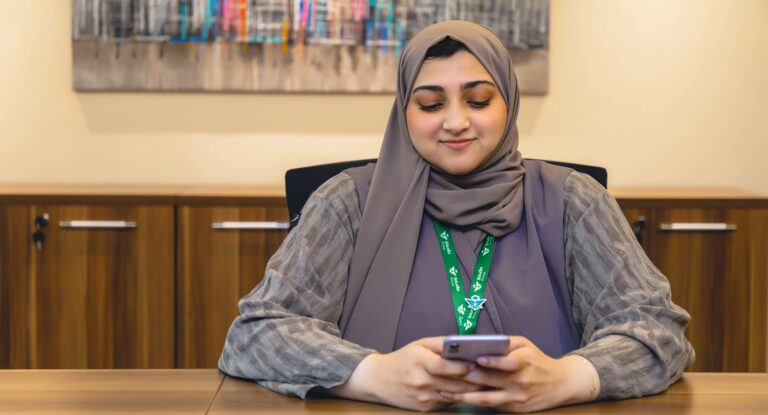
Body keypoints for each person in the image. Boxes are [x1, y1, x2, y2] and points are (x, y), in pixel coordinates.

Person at [218, 20, 694, 413]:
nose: (455, 121)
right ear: (404, 112)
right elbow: (256, 332)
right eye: (430, 104)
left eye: (478, 100)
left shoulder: (573, 201)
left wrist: (568, 378)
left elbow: (657, 328)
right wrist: (370, 374)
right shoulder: (346, 203)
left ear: (509, 102)